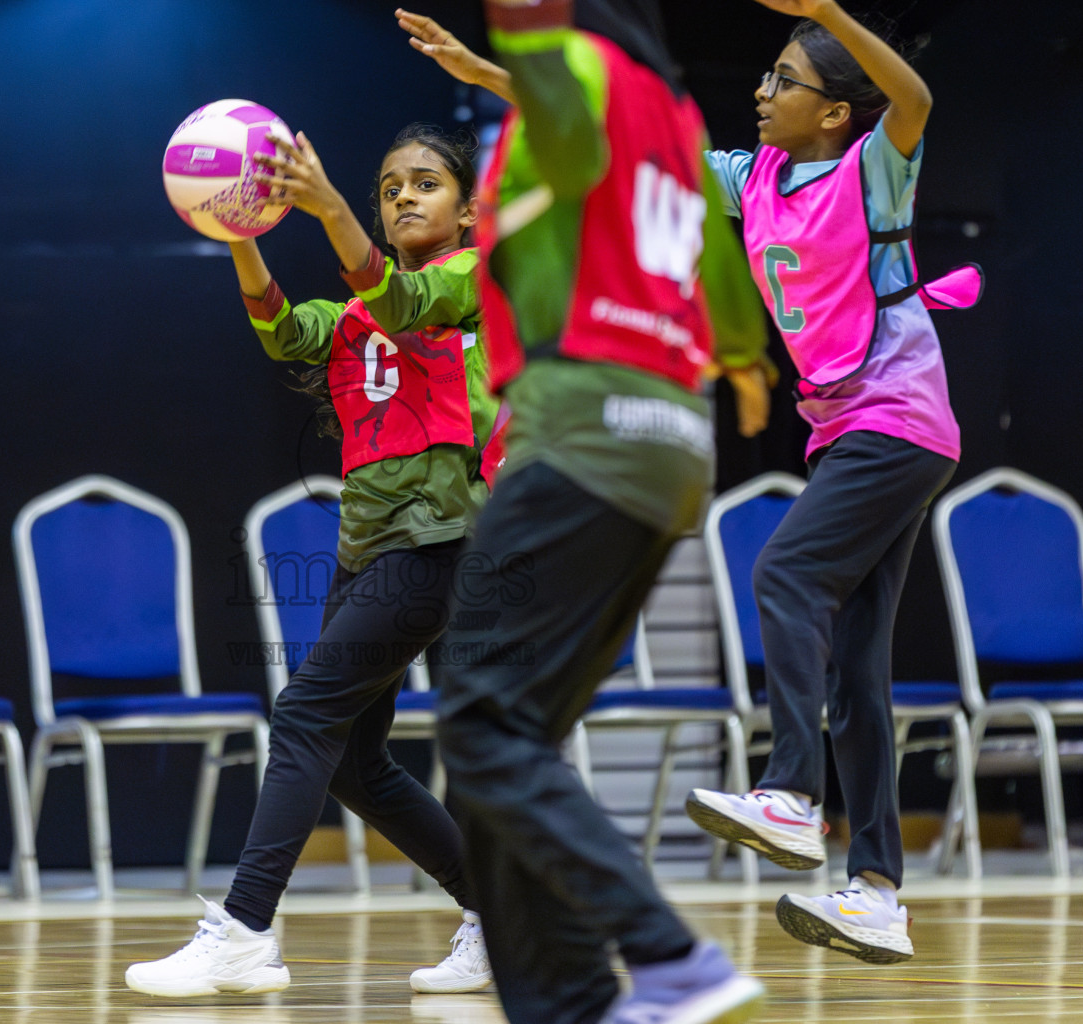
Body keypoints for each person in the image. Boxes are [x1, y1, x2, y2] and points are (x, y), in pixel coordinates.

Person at [410, 1, 775, 1021]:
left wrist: (523, 31)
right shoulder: (674, 113)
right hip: (671, 448)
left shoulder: (573, 70)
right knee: (504, 756)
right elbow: (714, 252)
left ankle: (671, 954)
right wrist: (742, 358)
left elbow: (549, 78)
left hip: (582, 432)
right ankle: (573, 1007)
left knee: (479, 725)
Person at [125, 123, 499, 997]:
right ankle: (502, 913)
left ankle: (245, 932)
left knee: (302, 715)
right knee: (354, 762)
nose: (404, 196)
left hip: (440, 534)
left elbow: (403, 302)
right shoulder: (356, 313)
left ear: (469, 208)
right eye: (388, 188)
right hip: (365, 544)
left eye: (424, 183)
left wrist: (327, 205)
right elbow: (284, 331)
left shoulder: (474, 278)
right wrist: (241, 235)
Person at [683, 0, 980, 966]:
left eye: (783, 81)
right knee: (856, 670)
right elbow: (643, 151)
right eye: (765, 77)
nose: (760, 93)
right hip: (844, 429)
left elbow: (915, 94)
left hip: (898, 420)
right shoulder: (752, 176)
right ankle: (879, 894)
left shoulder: (874, 170)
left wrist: (827, 15)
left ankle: (793, 795)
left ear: (834, 114)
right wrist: (511, 85)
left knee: (784, 574)